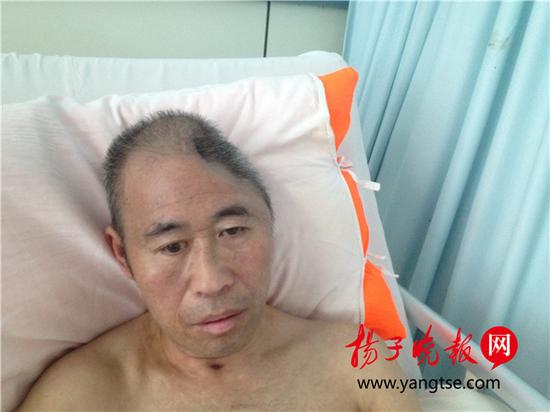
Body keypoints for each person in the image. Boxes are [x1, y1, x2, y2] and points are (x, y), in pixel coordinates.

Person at [17, 111, 420, 411]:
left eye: (233, 231)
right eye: (172, 246)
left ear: (269, 221)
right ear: (123, 256)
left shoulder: (355, 362)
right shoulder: (82, 394)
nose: (211, 282)